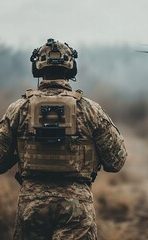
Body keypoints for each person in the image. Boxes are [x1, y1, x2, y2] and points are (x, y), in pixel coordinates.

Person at [0, 38, 127, 240]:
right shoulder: (89, 109)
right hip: (76, 208)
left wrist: (21, 148)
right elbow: (116, 161)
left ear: (37, 68)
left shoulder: (18, 109)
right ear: (71, 68)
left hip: (31, 206)